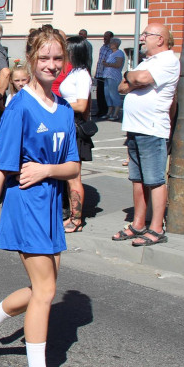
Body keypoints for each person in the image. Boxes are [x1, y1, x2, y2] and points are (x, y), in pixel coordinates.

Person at [0, 28, 81, 367]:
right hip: (24, 206)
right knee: (45, 292)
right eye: (44, 58)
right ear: (31, 60)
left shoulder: (63, 107)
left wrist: (48, 170)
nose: (51, 65)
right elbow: (0, 171)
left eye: (57, 59)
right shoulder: (19, 109)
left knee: (41, 289)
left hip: (50, 205)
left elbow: (74, 165)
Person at [112, 24, 181, 246]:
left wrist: (131, 77)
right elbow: (122, 88)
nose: (141, 38)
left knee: (155, 180)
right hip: (135, 127)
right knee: (138, 179)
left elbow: (139, 79)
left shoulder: (168, 60)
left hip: (152, 129)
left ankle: (156, 228)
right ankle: (138, 223)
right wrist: (133, 79)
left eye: (146, 35)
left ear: (160, 39)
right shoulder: (147, 62)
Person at [56, 34, 94, 233]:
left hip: (76, 127)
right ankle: (72, 216)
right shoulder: (74, 73)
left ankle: (76, 219)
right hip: (69, 125)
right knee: (69, 175)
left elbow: (82, 104)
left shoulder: (82, 75)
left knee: (74, 177)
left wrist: (57, 105)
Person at [102, 37, 125, 121]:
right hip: (107, 75)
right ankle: (109, 112)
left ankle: (116, 113)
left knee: (113, 94)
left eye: (111, 43)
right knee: (107, 94)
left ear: (115, 44)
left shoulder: (119, 53)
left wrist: (107, 64)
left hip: (114, 76)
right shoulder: (111, 53)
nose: (110, 44)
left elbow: (118, 64)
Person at [93, 31, 114, 117]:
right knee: (99, 93)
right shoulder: (102, 47)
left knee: (105, 94)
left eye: (106, 37)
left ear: (111, 38)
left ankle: (106, 111)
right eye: (104, 36)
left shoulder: (111, 49)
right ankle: (100, 110)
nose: (104, 38)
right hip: (99, 73)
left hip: (106, 74)